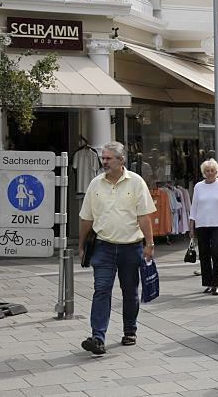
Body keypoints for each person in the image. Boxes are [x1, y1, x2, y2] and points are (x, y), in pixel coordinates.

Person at [78, 141, 156, 355]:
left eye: (108, 158)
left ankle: (130, 330)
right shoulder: (95, 184)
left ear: (121, 160)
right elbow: (86, 218)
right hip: (103, 247)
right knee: (101, 290)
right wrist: (82, 245)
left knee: (130, 292)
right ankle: (98, 337)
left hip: (131, 247)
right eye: (103, 158)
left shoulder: (136, 183)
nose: (104, 162)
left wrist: (149, 244)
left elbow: (144, 217)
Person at [189, 159, 218, 296]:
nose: (210, 173)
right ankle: (208, 282)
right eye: (207, 171)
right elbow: (194, 206)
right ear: (203, 172)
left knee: (216, 251)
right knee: (204, 253)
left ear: (217, 171)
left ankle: (216, 283)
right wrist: (191, 225)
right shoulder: (198, 186)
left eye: (212, 170)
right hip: (202, 223)